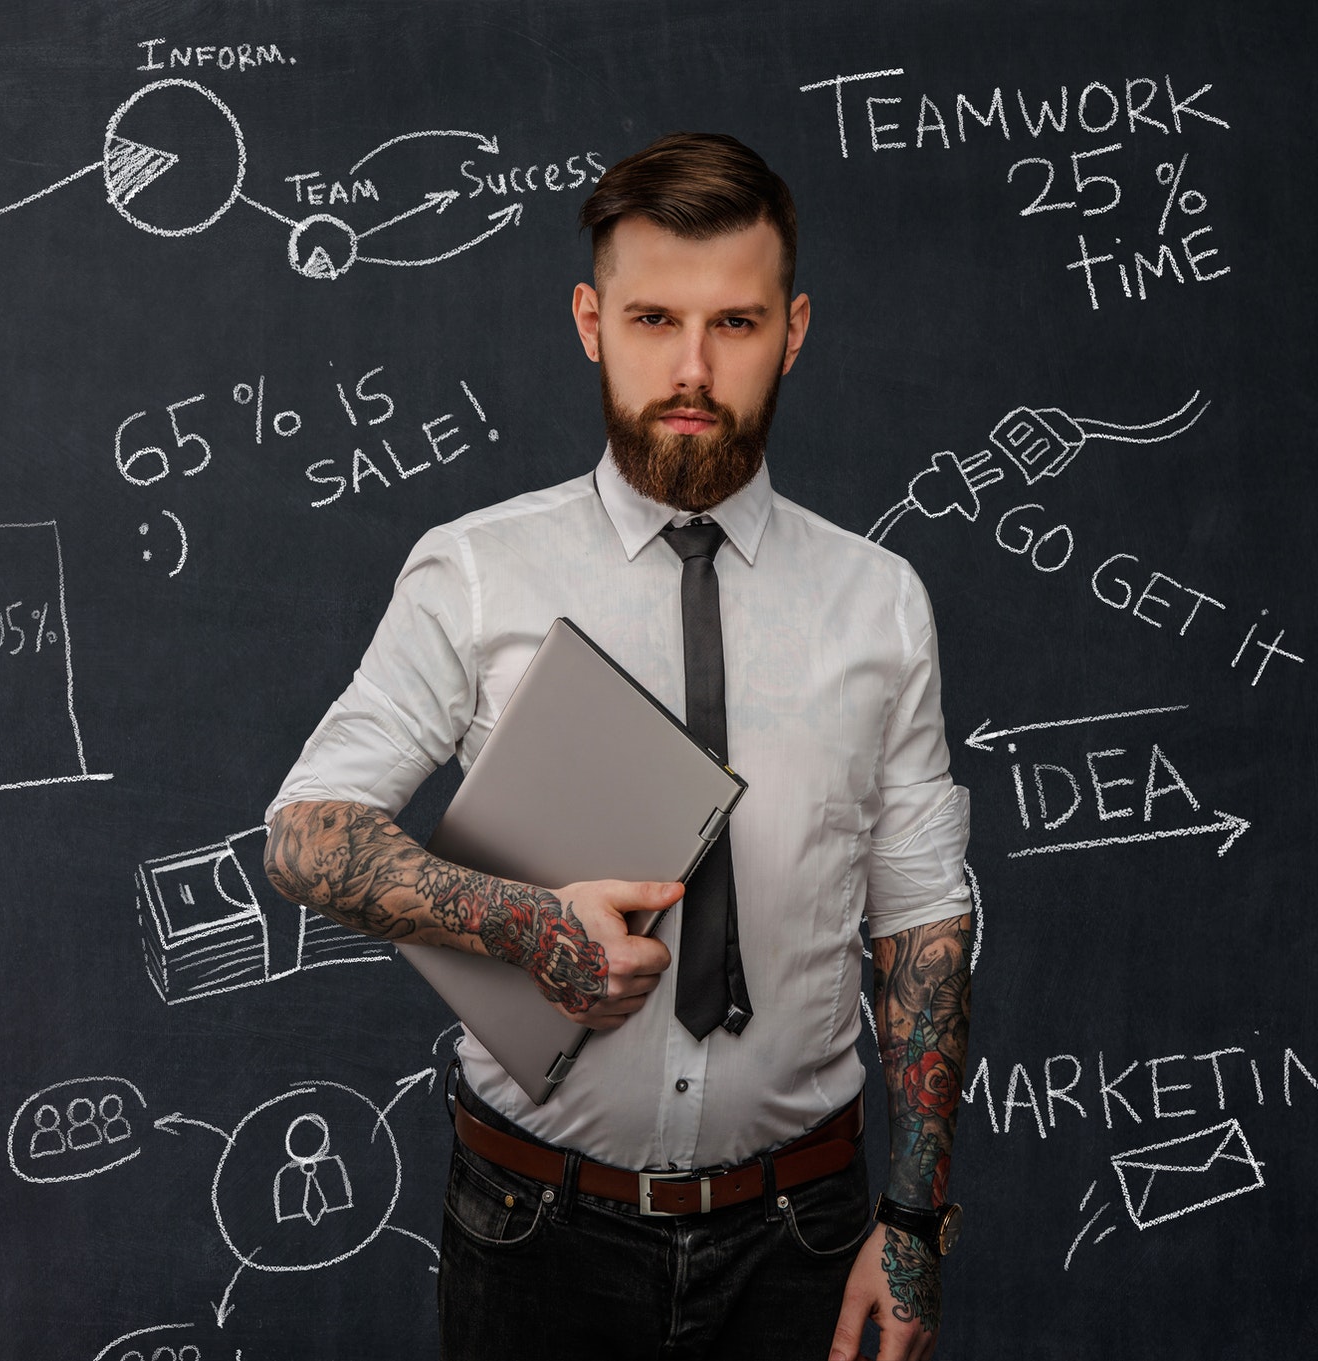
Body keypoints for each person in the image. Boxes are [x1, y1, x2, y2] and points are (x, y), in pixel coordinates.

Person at [262, 133, 972, 1361]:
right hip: (532, 1227)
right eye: (652, 318)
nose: (690, 369)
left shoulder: (880, 602)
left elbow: (919, 927)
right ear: (590, 320)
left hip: (804, 1237)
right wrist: (522, 923)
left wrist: (909, 1225)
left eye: (734, 325)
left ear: (792, 331)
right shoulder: (475, 571)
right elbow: (305, 832)